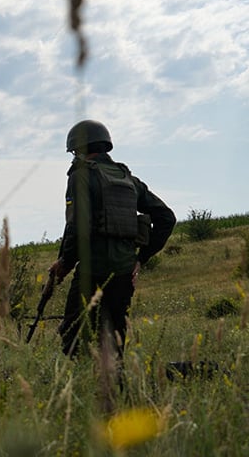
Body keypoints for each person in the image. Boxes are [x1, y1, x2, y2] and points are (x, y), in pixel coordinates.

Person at [49, 119, 175, 361]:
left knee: (73, 337)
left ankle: (84, 388)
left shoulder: (81, 176)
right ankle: (116, 390)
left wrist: (64, 263)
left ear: (79, 150)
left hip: (92, 271)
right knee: (114, 343)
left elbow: (77, 227)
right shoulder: (129, 180)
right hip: (123, 274)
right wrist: (141, 259)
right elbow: (166, 217)